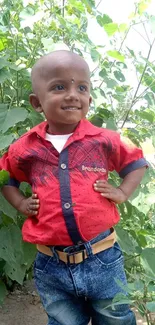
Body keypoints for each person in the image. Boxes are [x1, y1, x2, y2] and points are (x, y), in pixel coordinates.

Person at [0, 50, 148, 325]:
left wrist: (123, 192)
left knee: (114, 318)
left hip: (103, 257)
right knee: (63, 321)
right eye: (59, 87)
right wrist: (20, 203)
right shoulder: (25, 148)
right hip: (50, 264)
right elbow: (6, 177)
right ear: (36, 102)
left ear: (89, 99)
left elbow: (136, 163)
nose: (72, 94)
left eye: (81, 87)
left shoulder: (104, 140)